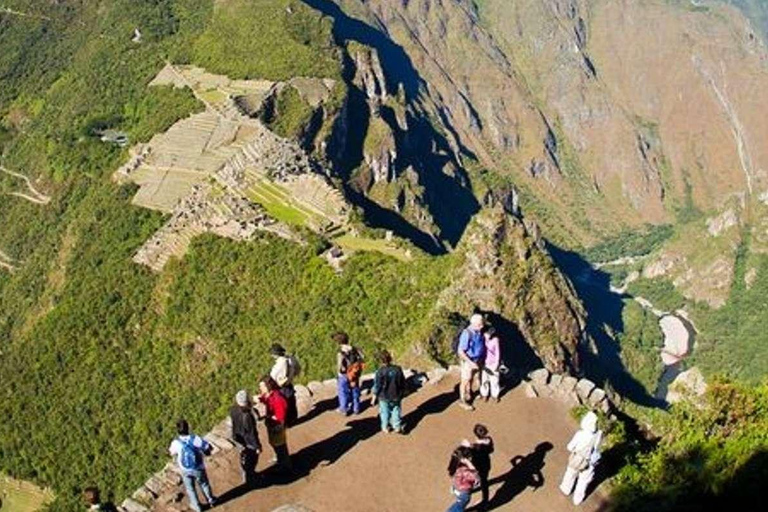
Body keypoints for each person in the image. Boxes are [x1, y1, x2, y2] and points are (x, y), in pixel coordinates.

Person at [169, 419, 216, 512]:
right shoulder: (195, 439)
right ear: (188, 428)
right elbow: (207, 447)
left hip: (185, 469)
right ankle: (211, 500)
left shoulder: (176, 442)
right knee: (204, 484)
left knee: (190, 489)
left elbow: (171, 452)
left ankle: (197, 507)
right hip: (198, 467)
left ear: (178, 431)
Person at [560, 411, 603, 506]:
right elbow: (597, 448)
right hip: (590, 462)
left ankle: (566, 489)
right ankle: (577, 499)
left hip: (577, 459)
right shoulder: (599, 434)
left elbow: (570, 447)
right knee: (583, 481)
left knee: (570, 474)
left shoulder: (580, 434)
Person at [229, 389, 262, 487]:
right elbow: (252, 434)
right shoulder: (247, 416)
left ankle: (247, 475)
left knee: (244, 457)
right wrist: (257, 446)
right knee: (252, 460)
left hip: (239, 439)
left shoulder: (233, 410)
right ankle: (250, 478)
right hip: (249, 441)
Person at [259, 375, 292, 471]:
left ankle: (285, 466)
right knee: (275, 444)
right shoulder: (269, 395)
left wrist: (268, 417)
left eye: (262, 386)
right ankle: (280, 460)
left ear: (268, 386)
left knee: (280, 446)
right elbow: (267, 400)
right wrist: (261, 399)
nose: (260, 388)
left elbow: (280, 417)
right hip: (272, 425)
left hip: (277, 427)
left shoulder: (278, 399)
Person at [371, 350, 407, 434]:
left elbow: (377, 386)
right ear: (390, 359)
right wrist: (404, 391)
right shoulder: (398, 369)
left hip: (384, 397)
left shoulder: (379, 372)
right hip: (396, 395)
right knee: (396, 410)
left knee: (384, 412)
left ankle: (385, 427)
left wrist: (373, 398)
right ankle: (397, 426)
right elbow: (402, 381)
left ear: (380, 361)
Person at [457, 314, 486, 410]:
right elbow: (460, 351)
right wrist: (470, 362)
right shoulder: (466, 334)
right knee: (465, 380)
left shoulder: (478, 331)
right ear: (473, 324)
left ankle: (469, 393)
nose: (482, 326)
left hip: (477, 360)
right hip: (468, 361)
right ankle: (462, 400)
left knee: (472, 377)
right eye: (480, 325)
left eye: (482, 324)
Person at [334, 331, 364, 415]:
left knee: (343, 392)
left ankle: (344, 408)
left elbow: (339, 364)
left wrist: (338, 373)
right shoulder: (355, 349)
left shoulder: (340, 352)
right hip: (353, 373)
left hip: (343, 374)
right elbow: (362, 357)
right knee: (355, 390)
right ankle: (356, 408)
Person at [269, 343, 299, 426]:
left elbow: (272, 376)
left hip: (281, 387)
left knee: (284, 404)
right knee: (291, 403)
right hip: (289, 384)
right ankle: (293, 419)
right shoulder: (291, 359)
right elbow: (297, 369)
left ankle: (286, 422)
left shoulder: (279, 364)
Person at [447, 445, 480, 512]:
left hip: (456, 489)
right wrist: (470, 465)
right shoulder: (466, 472)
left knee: (458, 504)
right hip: (464, 494)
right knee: (459, 507)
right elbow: (477, 481)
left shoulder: (455, 465)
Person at [470, 424, 494, 510]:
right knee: (483, 480)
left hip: (479, 466)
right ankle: (485, 500)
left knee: (483, 482)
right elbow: (491, 450)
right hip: (486, 464)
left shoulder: (477, 447)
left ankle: (485, 501)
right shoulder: (489, 440)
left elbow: (473, 456)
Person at [480, 327, 502, 403]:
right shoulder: (482, 339)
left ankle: (495, 395)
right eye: (487, 333)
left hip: (493, 363)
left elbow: (497, 353)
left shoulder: (495, 340)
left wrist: (497, 363)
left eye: (489, 334)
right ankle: (484, 394)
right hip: (484, 363)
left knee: (494, 380)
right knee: (484, 379)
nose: (487, 335)